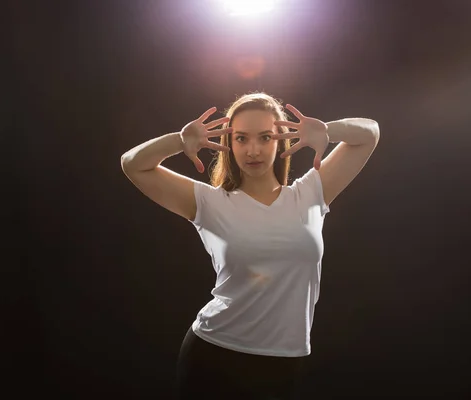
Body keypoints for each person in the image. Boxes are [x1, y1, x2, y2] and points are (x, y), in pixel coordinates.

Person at [120, 92, 380, 399]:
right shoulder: (209, 202)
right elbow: (133, 164)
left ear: (280, 140)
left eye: (265, 137)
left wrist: (328, 130)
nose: (253, 150)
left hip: (285, 361)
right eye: (241, 138)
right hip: (215, 356)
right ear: (230, 144)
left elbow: (369, 134)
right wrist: (179, 140)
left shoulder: (311, 193)